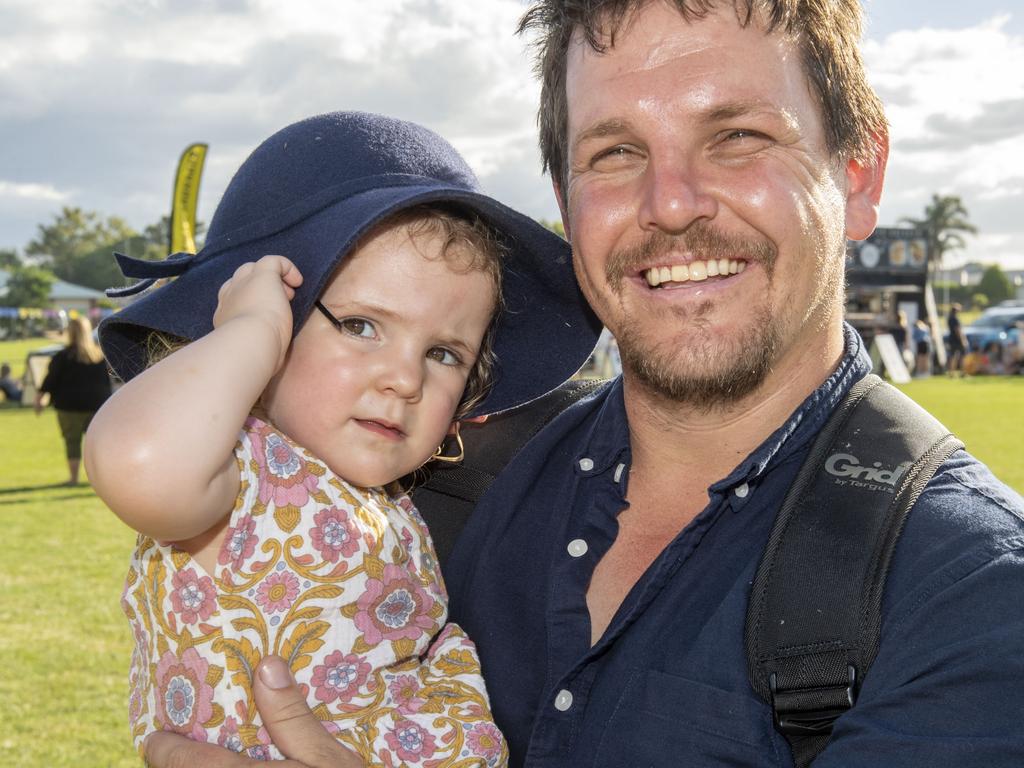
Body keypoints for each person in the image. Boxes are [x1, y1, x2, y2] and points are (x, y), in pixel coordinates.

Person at [144, 3, 1024, 768]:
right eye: (614, 152)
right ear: (567, 211)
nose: (671, 203)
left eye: (737, 136)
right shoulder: (437, 478)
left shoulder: (969, 593)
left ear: (858, 175)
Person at [86, 112, 599, 765]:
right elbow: (138, 462)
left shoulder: (394, 505)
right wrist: (245, 334)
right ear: (271, 321)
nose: (405, 378)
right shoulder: (241, 470)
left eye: (444, 352)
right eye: (360, 326)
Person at [34, 315, 112, 485]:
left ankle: (74, 479)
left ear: (69, 333)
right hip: (97, 406)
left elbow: (50, 380)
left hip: (69, 407)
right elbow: (107, 383)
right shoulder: (100, 357)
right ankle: (102, 481)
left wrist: (39, 398)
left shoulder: (62, 357)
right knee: (96, 446)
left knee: (72, 442)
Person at [946, 302, 968, 374]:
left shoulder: (950, 318)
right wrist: (962, 340)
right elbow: (957, 330)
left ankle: (951, 372)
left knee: (952, 356)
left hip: (952, 339)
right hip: (957, 340)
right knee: (962, 356)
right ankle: (963, 372)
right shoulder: (955, 319)